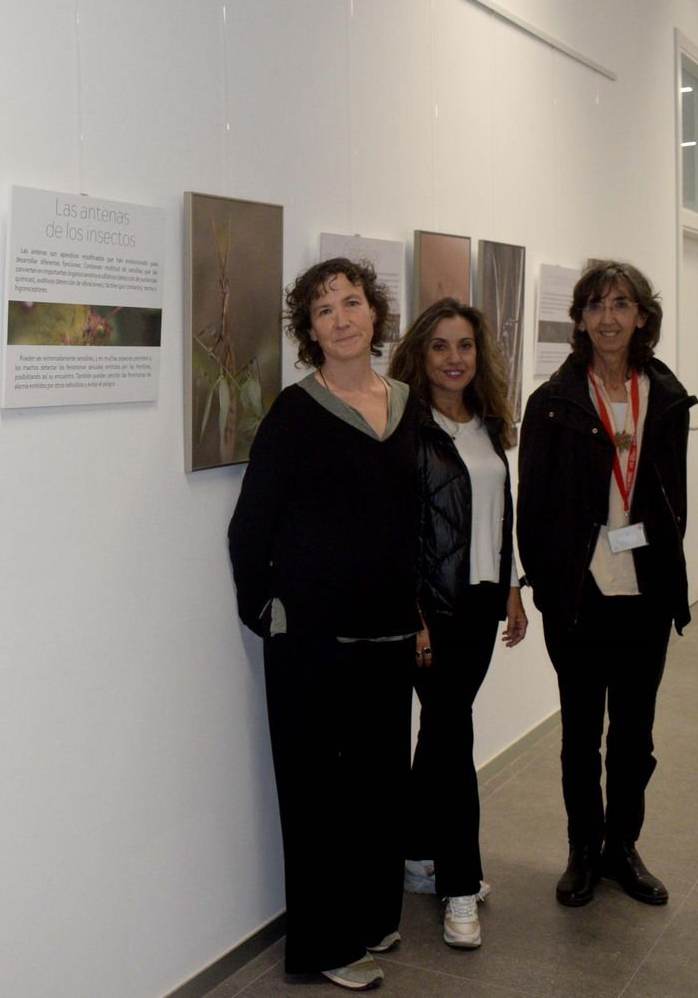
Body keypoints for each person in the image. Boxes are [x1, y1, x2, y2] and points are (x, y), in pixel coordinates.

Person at [228, 257, 420, 990]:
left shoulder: (404, 403)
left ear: (375, 314)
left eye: (351, 302)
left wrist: (421, 613)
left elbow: (415, 520)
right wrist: (266, 611)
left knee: (379, 786)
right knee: (318, 797)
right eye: (323, 311)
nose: (340, 318)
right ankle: (324, 946)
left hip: (389, 634)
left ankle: (372, 917)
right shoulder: (294, 413)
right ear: (309, 332)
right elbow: (250, 528)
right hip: (310, 638)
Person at [517, 261, 696, 908]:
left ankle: (623, 847)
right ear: (580, 320)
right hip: (580, 599)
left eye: (621, 304)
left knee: (634, 736)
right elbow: (530, 504)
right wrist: (544, 585)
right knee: (580, 735)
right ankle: (581, 851)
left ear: (642, 316)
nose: (609, 317)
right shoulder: (554, 403)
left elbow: (673, 497)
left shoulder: (667, 397)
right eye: (595, 305)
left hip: (645, 595)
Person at [388, 298, 527, 949]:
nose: (453, 358)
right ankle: (459, 886)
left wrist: (513, 589)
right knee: (454, 737)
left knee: (440, 736)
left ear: (479, 354)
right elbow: (395, 534)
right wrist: (411, 615)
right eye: (440, 346)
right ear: (420, 354)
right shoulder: (405, 432)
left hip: (479, 604)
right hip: (431, 612)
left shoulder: (489, 425)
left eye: (464, 345)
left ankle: (418, 855)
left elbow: (501, 511)